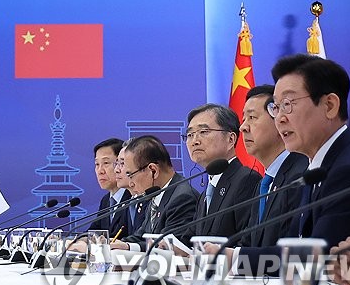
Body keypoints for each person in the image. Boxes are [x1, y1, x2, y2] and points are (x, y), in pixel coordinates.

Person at [209, 55, 350, 274]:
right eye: (276, 107)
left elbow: (312, 259)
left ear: (329, 106)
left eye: (288, 104)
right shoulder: (318, 167)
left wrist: (232, 258)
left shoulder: (349, 170)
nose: (280, 118)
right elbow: (293, 248)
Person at [236, 85, 308, 247]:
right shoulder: (263, 184)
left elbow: (291, 249)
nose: (243, 127)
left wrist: (233, 257)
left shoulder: (300, 176)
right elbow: (249, 242)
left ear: (279, 120)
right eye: (243, 119)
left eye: (252, 118)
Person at [110, 135, 200, 252]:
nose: (130, 183)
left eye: (131, 175)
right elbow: (142, 235)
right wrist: (118, 244)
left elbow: (166, 247)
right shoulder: (156, 192)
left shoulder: (182, 198)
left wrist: (128, 247)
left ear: (153, 170)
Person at [185, 104, 262, 238]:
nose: (194, 141)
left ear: (231, 139)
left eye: (203, 132)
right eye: (190, 134)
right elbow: (190, 239)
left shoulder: (246, 180)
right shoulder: (206, 193)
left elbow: (246, 242)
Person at [88, 138, 132, 236]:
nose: (100, 171)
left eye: (106, 163)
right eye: (97, 164)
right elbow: (94, 232)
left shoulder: (133, 196)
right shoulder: (106, 200)